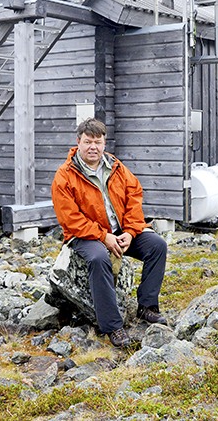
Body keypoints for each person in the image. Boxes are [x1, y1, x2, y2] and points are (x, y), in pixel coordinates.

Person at [51, 118, 168, 348]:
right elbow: (70, 218)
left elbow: (134, 196)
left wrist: (132, 232)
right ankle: (113, 326)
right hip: (83, 235)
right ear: (78, 142)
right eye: (88, 142)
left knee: (157, 245)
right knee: (99, 258)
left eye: (98, 142)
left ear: (104, 143)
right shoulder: (64, 176)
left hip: (121, 231)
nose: (93, 147)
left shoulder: (116, 167)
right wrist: (103, 236)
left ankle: (147, 306)